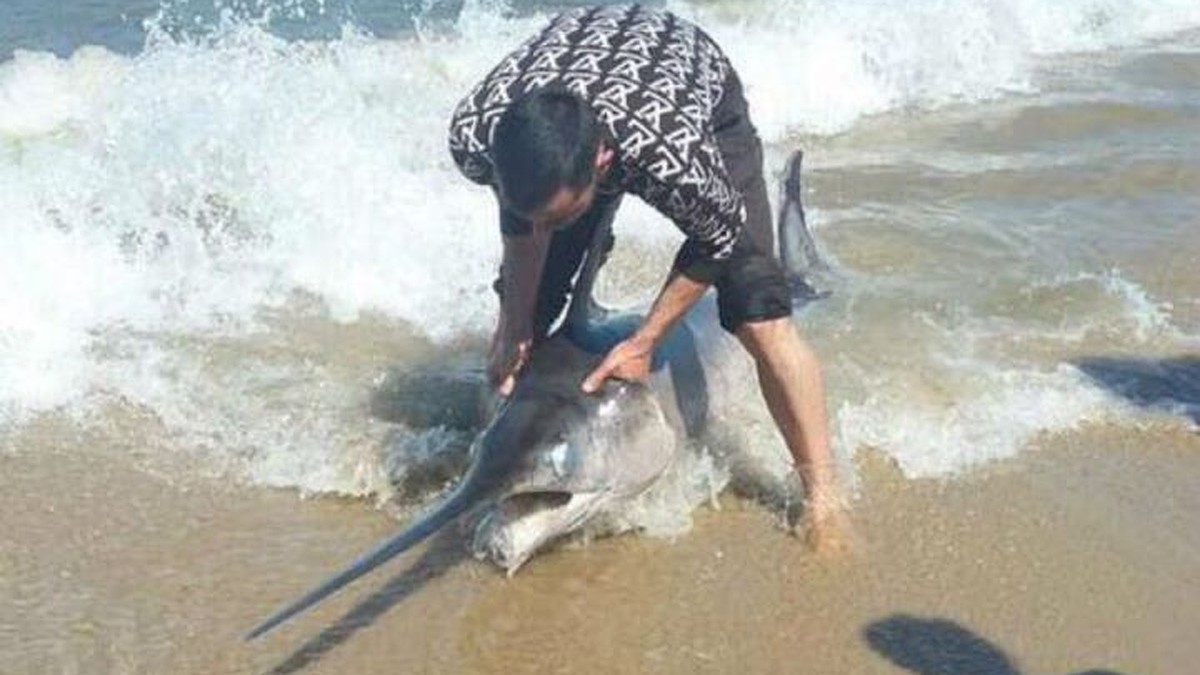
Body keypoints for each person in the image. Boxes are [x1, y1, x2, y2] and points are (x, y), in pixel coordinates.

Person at [448, 5, 849, 552]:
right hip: (579, 83)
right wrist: (516, 324)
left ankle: (824, 500)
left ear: (603, 162)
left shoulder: (672, 156)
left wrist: (646, 340)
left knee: (760, 315)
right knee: (527, 320)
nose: (542, 229)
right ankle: (510, 444)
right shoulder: (476, 133)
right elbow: (521, 221)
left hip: (684, 83)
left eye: (557, 216)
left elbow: (718, 236)